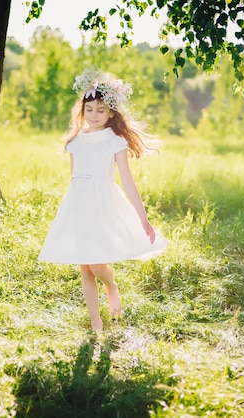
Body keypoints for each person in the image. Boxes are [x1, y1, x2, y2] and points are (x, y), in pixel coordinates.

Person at [38, 68, 168, 333]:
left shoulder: (115, 141)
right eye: (89, 109)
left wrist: (143, 219)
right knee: (85, 265)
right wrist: (74, 209)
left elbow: (128, 182)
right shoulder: (75, 141)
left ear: (111, 113)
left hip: (103, 204)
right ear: (82, 111)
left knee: (98, 264)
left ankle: (111, 285)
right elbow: (75, 178)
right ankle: (96, 322)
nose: (94, 115)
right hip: (79, 204)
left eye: (100, 110)